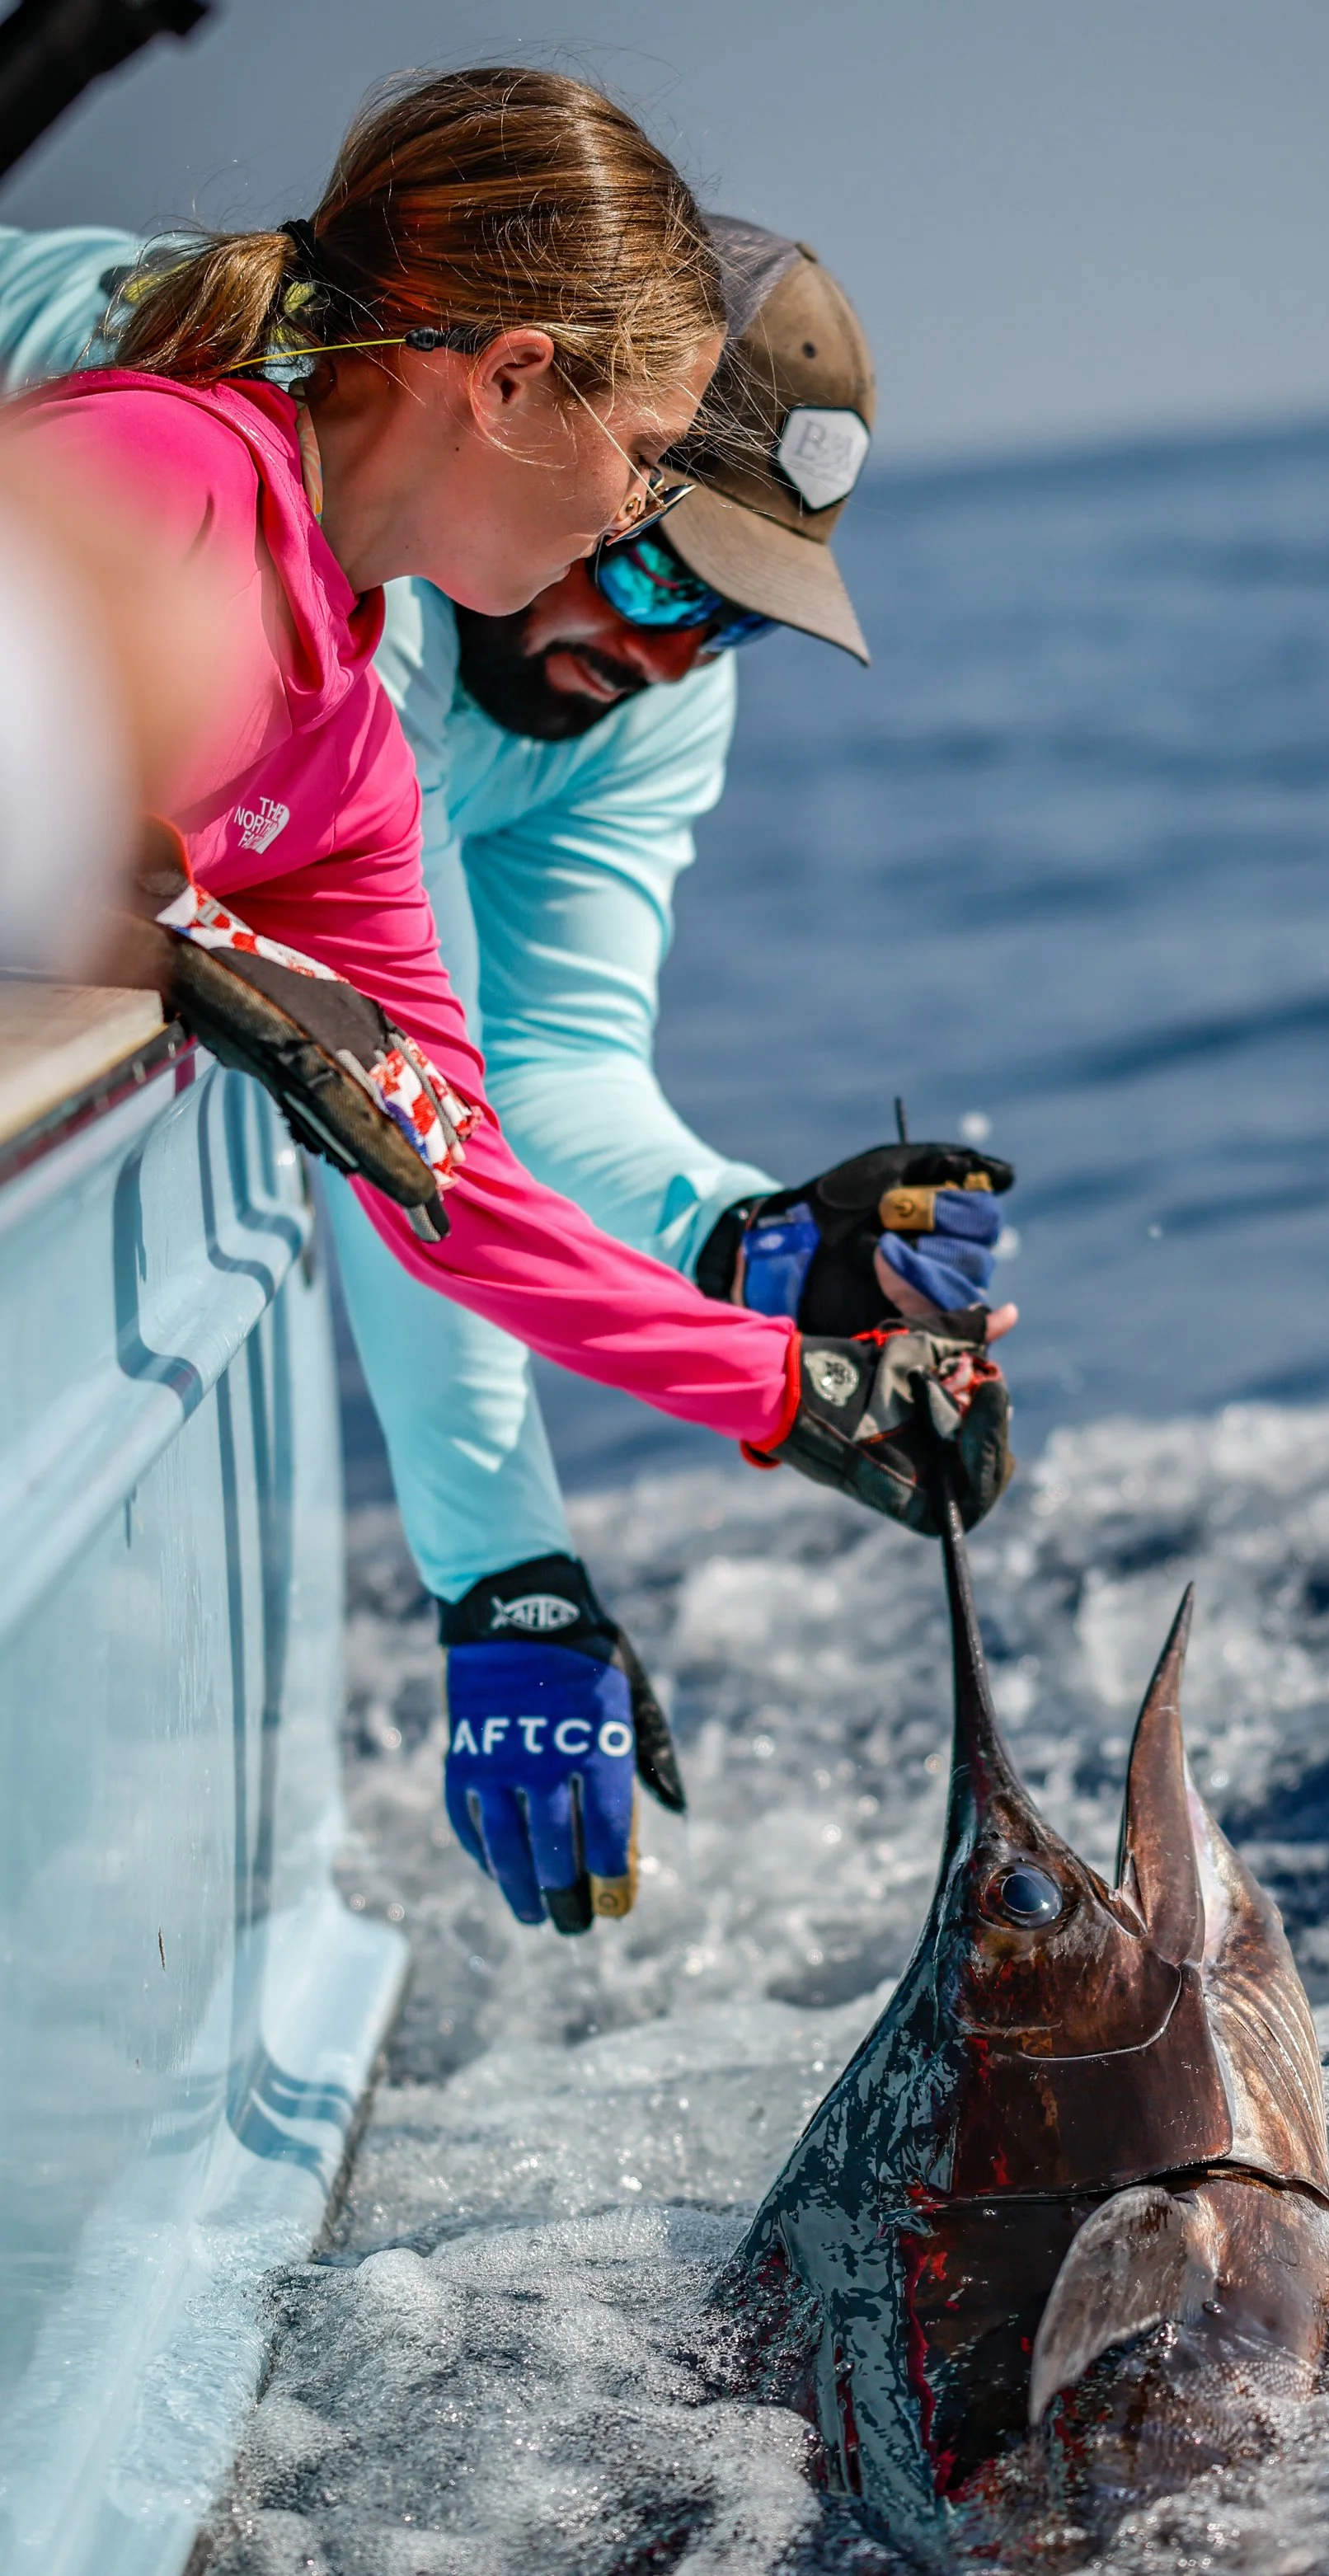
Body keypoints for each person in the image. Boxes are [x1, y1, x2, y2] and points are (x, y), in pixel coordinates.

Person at [0, 65, 1012, 1936]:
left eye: (719, 618)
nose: (655, 652)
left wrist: (778, 1325)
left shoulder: (366, 747)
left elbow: (460, 1138)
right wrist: (156, 914)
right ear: (516, 377)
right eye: (651, 515)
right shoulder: (168, 459)